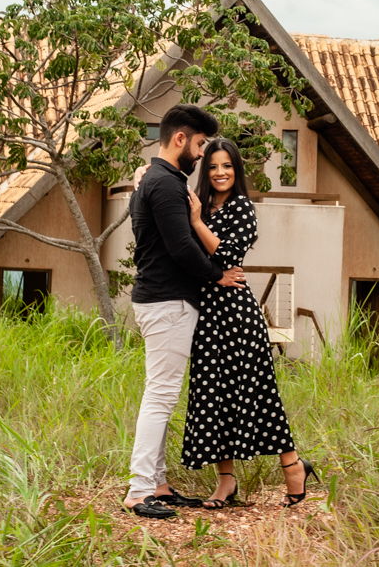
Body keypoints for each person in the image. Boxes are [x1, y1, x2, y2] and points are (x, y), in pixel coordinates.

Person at [123, 104, 247, 519]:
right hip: (168, 302)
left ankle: (156, 482)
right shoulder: (166, 184)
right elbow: (180, 247)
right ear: (180, 139)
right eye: (197, 145)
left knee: (158, 392)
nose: (200, 155)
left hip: (157, 300)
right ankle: (140, 490)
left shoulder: (152, 180)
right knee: (160, 396)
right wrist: (218, 274)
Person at [181, 138, 317, 508]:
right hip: (208, 314)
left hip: (237, 314)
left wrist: (196, 222)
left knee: (257, 393)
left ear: (236, 170)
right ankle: (225, 482)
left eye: (227, 166)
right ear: (204, 171)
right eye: (212, 166)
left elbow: (226, 254)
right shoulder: (200, 205)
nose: (220, 172)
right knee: (211, 395)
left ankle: (293, 467)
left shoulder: (243, 207)